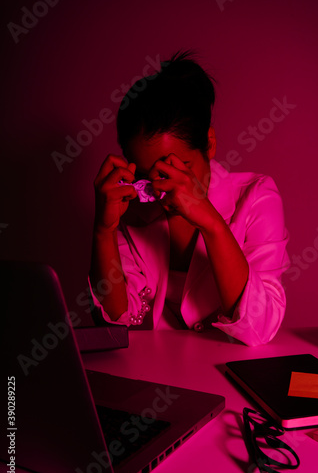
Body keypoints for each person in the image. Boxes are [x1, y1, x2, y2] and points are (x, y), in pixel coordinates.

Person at [88, 50, 290, 346]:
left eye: (176, 168)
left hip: (233, 369)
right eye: (147, 174)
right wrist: (103, 231)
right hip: (167, 372)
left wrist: (211, 223)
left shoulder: (257, 196)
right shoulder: (129, 209)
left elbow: (260, 327)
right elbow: (116, 319)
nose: (160, 188)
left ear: (209, 144)